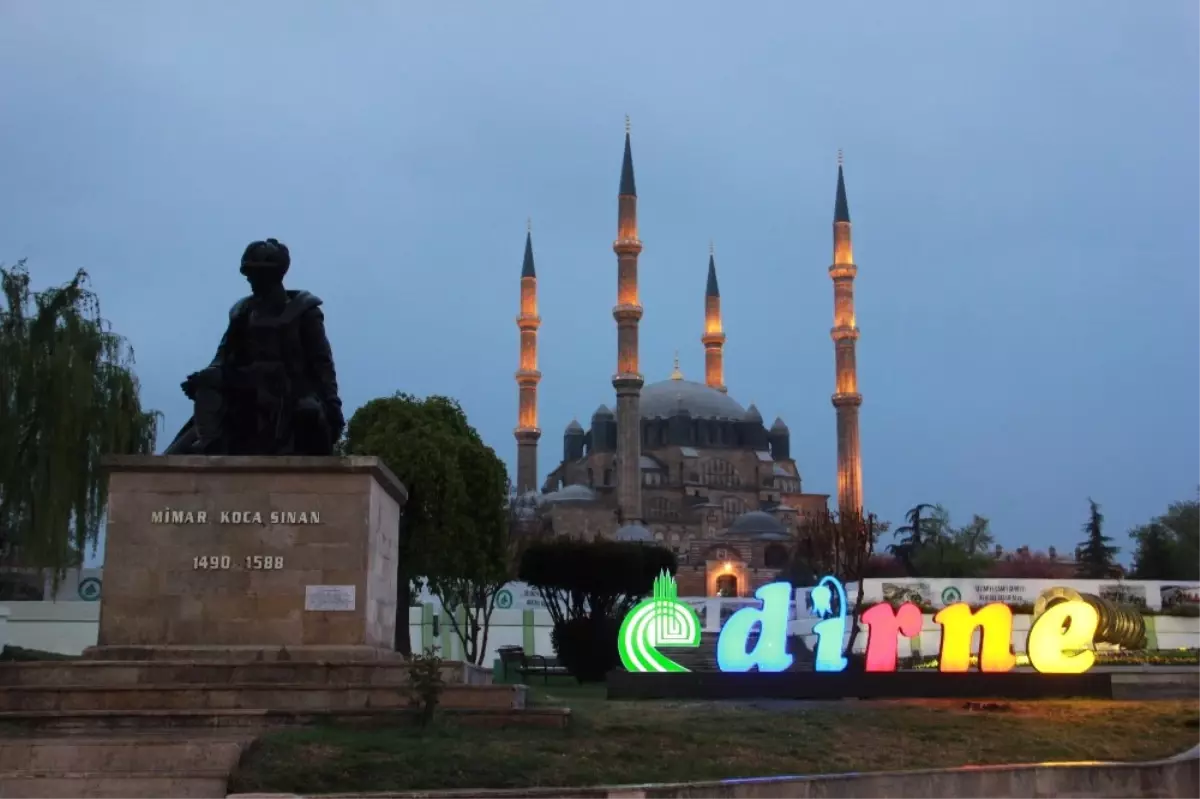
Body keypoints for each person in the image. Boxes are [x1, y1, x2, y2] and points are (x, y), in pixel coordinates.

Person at [164, 238, 344, 455]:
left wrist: (333, 407)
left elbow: (322, 364)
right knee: (207, 385)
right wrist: (207, 375)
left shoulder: (304, 311)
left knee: (308, 413)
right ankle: (210, 443)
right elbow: (222, 357)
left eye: (255, 272)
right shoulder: (242, 313)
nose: (249, 278)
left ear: (273, 274)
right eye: (248, 272)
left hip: (289, 391)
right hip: (246, 386)